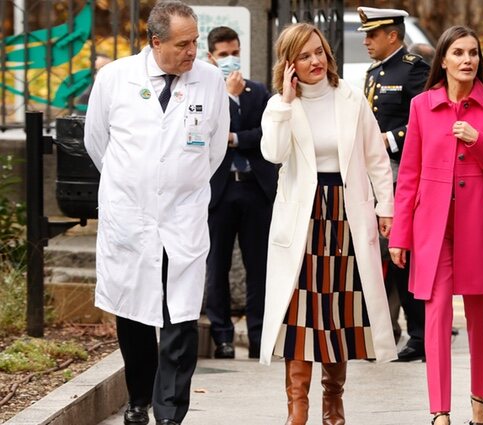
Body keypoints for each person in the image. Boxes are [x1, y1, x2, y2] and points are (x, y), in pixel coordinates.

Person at [83, 1, 229, 424]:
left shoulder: (209, 81)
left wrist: (177, 184)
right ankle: (138, 399)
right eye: (183, 44)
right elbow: (98, 144)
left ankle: (169, 413)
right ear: (155, 41)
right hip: (131, 218)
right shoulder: (115, 78)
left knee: (179, 316)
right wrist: (136, 185)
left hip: (181, 217)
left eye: (196, 42)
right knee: (133, 313)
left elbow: (214, 149)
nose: (192, 52)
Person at [258, 23, 397, 425]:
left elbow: (375, 158)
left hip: (346, 212)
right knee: (300, 310)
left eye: (319, 52)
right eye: (304, 56)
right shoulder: (279, 106)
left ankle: (333, 405)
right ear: (289, 64)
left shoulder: (350, 98)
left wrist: (385, 207)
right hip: (304, 217)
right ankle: (296, 409)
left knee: (338, 310)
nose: (315, 61)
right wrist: (285, 103)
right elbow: (272, 153)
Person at [389, 25, 483, 425]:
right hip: (434, 226)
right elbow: (409, 174)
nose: (467, 60)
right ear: (442, 60)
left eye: (474, 53)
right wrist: (400, 234)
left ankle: (479, 401)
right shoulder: (422, 105)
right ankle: (439, 411)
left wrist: (478, 140)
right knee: (436, 312)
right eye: (459, 53)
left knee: (481, 315)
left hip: (480, 222)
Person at [358, 6, 431, 362]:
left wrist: (388, 140)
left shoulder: (414, 69)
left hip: (402, 172)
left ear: (392, 35)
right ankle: (387, 327)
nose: (367, 42)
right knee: (379, 254)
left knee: (402, 255)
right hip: (376, 174)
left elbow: (425, 118)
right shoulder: (374, 73)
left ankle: (420, 333)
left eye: (372, 35)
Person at [203, 25, 276, 360]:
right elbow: (208, 135)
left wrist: (235, 138)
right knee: (215, 265)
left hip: (254, 189)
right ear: (210, 57)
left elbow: (266, 135)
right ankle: (223, 336)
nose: (231, 60)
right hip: (219, 191)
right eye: (223, 55)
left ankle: (259, 335)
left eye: (234, 53)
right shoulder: (206, 93)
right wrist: (230, 100)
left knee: (258, 267)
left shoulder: (258, 91)